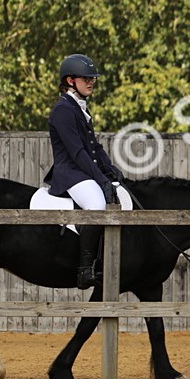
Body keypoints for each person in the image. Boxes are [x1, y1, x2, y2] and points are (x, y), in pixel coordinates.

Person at [43, 54, 127, 289]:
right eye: (86, 78)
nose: (91, 82)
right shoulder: (63, 110)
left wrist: (110, 169)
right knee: (97, 205)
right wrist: (101, 180)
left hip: (83, 171)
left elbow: (94, 147)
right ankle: (84, 269)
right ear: (70, 81)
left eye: (93, 79)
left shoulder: (79, 107)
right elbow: (77, 151)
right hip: (70, 173)